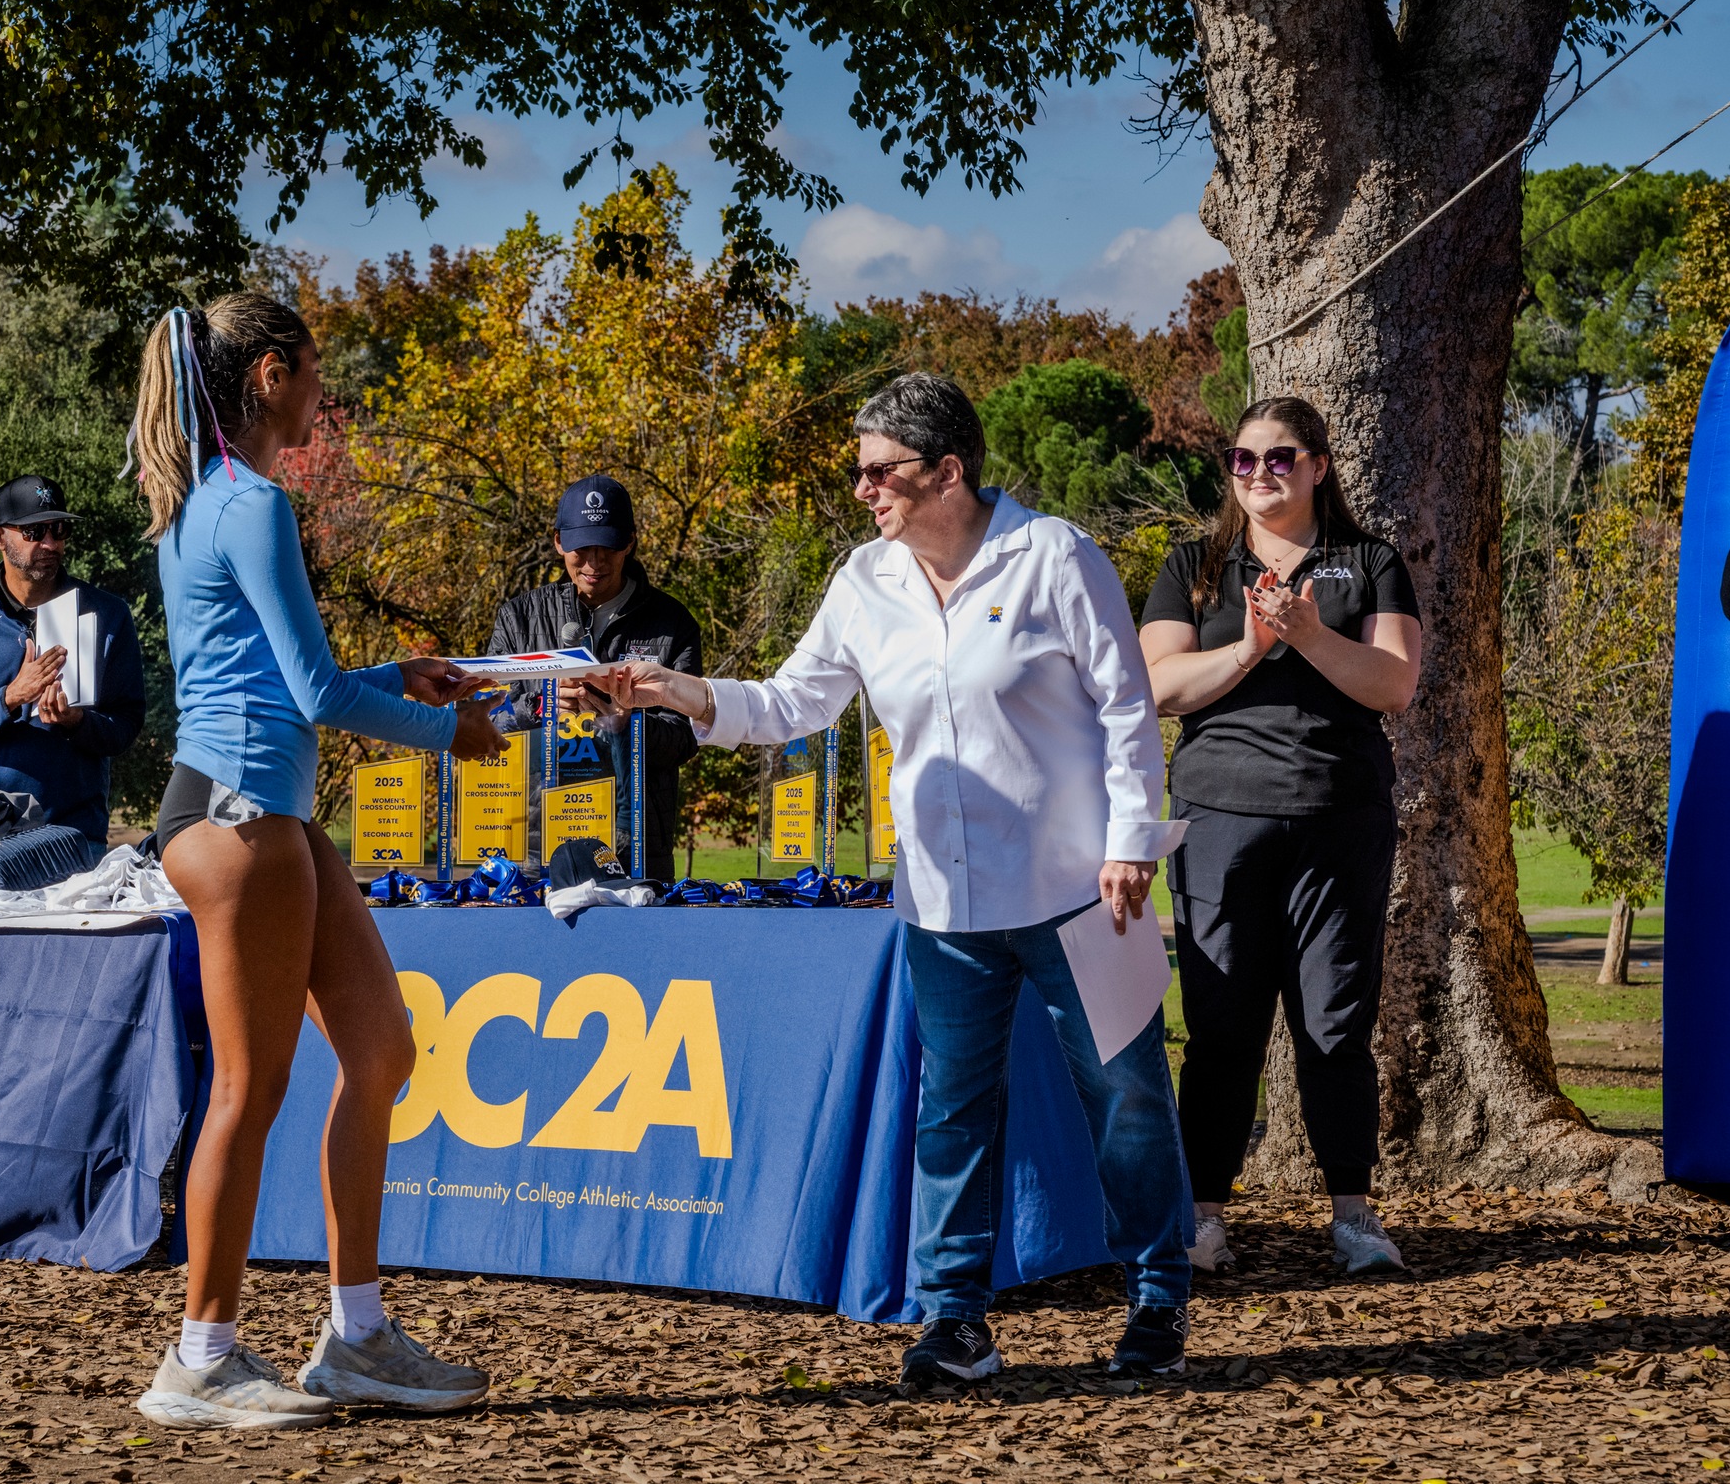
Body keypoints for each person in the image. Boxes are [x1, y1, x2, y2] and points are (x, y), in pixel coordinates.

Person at [600, 372, 1194, 1388]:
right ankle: (955, 1318)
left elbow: (1124, 703)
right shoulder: (863, 580)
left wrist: (1131, 838)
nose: (862, 490)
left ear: (946, 470)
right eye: (860, 472)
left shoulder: (1053, 555)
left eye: (880, 471)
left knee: (1125, 1097)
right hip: (942, 903)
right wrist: (677, 691)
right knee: (950, 1112)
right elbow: (792, 701)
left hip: (1079, 891)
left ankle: (1156, 1296)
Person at [130, 293, 506, 1430]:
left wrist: (399, 677)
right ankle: (200, 1358)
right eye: (313, 373)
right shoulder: (251, 504)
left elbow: (288, 679)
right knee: (249, 1089)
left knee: (379, 1048)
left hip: (266, 814)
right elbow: (310, 694)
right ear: (269, 374)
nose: (322, 397)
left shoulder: (212, 500)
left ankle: (356, 1337)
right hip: (239, 818)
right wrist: (447, 732)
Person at [1138, 395, 1422, 1276]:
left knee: (1335, 1023)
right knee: (1221, 1026)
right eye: (1243, 458)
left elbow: (1394, 684)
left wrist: (1307, 636)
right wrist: (1249, 646)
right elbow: (1157, 685)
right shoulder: (1193, 565)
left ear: (1317, 467)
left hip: (1339, 819)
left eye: (1280, 456)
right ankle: (1202, 1217)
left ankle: (1352, 1216)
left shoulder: (1368, 562)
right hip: (1217, 819)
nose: (1259, 472)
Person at [0, 475, 146, 864]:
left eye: (60, 530)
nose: (51, 544)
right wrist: (9, 698)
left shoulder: (107, 613)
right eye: (34, 531)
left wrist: (76, 723)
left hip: (72, 840)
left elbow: (125, 726)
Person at [488, 474, 703, 880]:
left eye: (607, 547)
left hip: (636, 848)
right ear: (558, 542)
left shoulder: (672, 624)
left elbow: (687, 738)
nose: (594, 562)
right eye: (582, 548)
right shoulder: (518, 618)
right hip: (535, 851)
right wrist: (540, 706)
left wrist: (628, 724)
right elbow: (485, 725)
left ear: (630, 542)